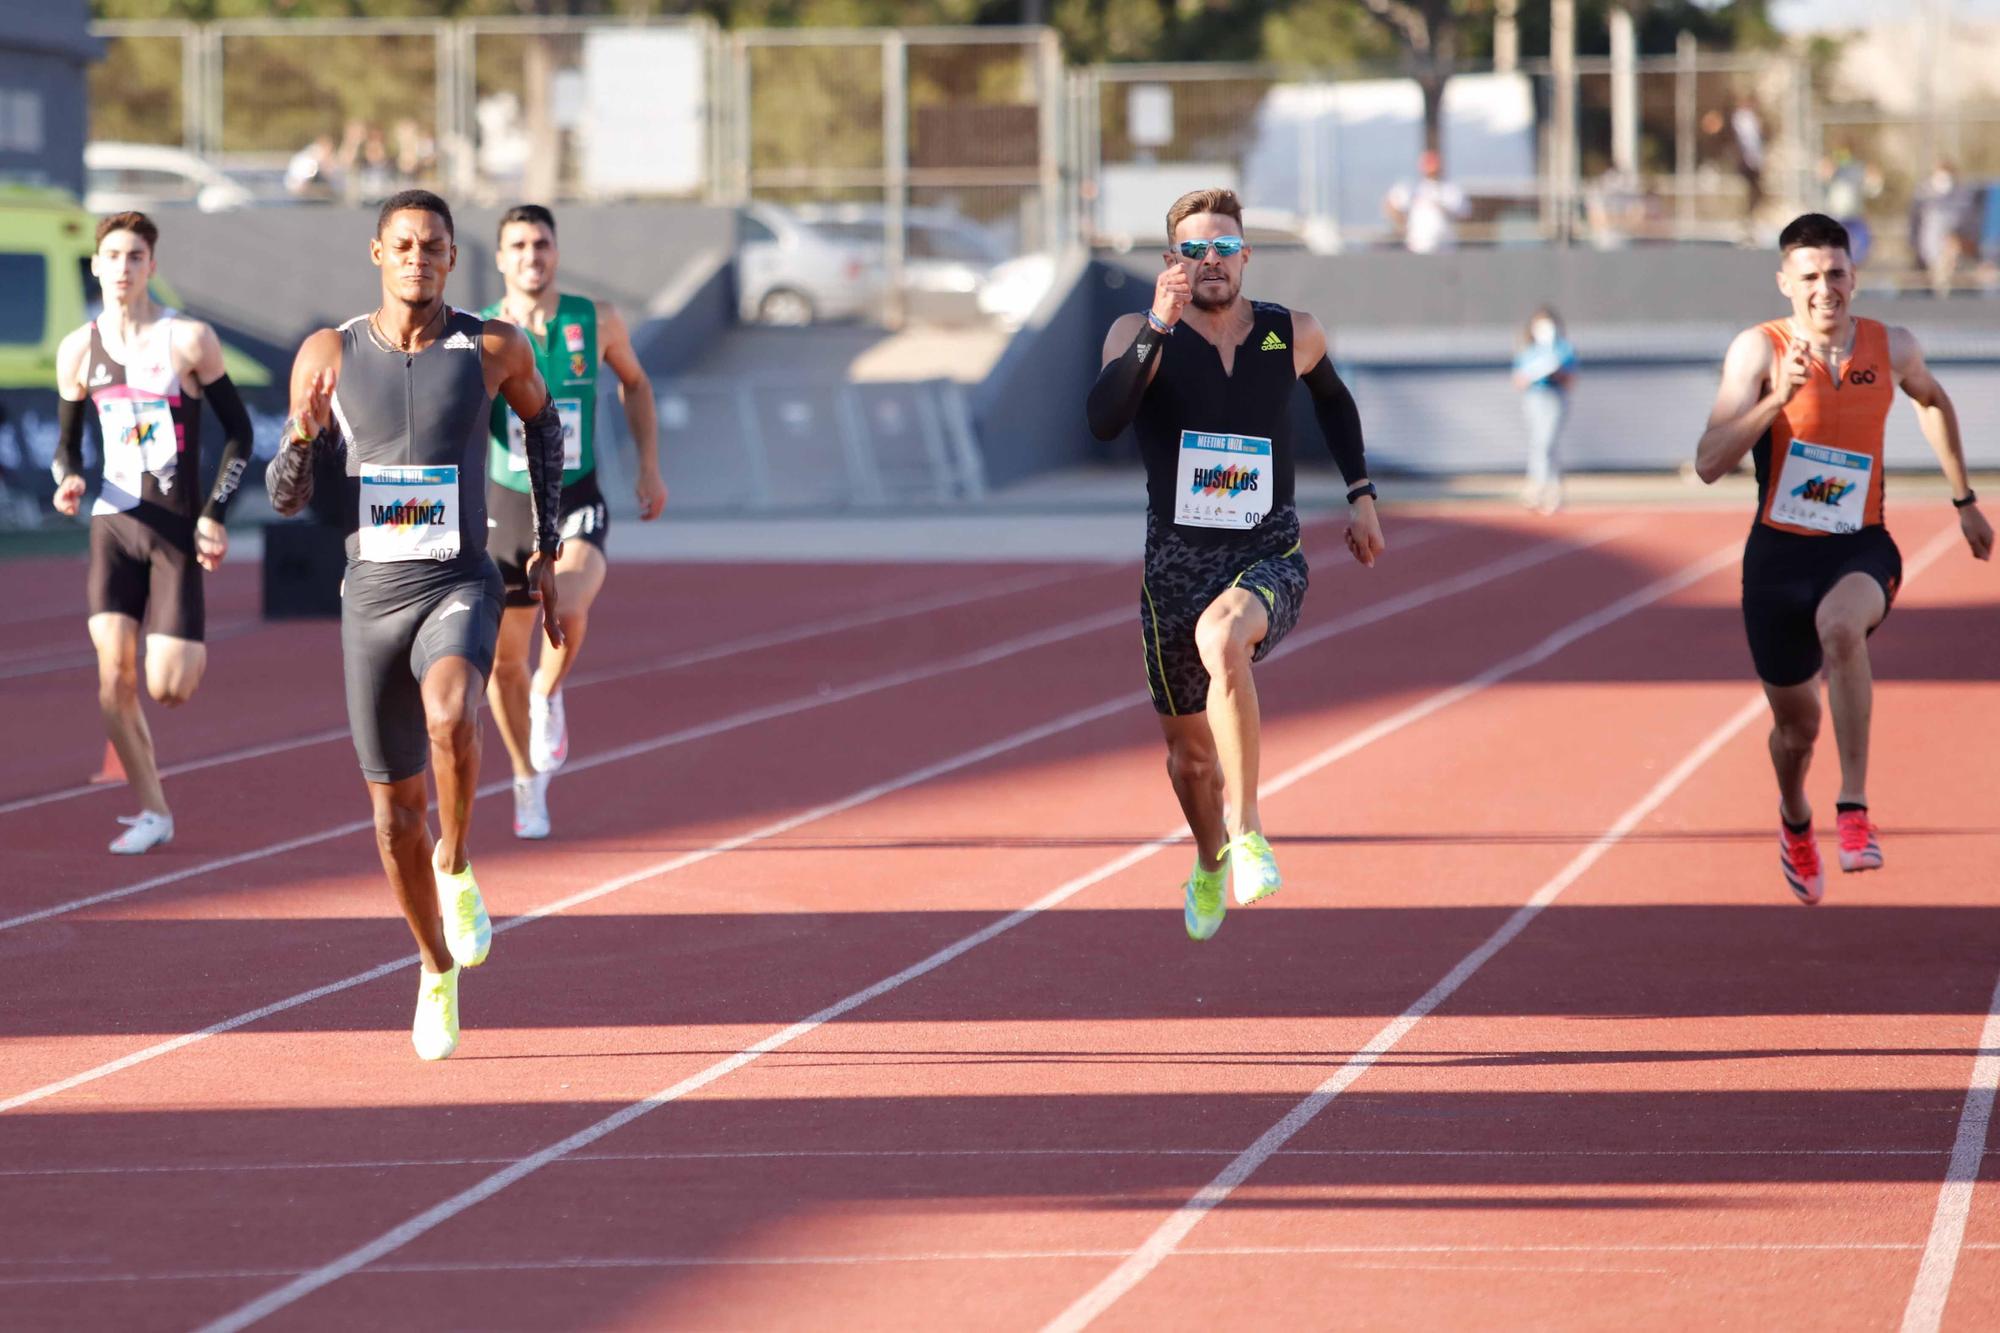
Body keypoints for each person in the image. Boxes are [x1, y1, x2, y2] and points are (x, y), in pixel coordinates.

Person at [265, 189, 566, 1060]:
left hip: (457, 582)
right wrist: (300, 440)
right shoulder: (327, 352)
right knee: (394, 816)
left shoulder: (493, 347)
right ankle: (436, 965)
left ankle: (461, 862)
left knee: (450, 715)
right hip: (371, 598)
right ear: (377, 254)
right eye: (403, 245)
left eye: (433, 247)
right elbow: (287, 499)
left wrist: (545, 546)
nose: (418, 260)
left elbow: (544, 433)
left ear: (451, 260)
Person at [1086, 187, 1386, 941]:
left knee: (1225, 640)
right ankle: (1211, 856)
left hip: (1267, 549)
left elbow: (1336, 403)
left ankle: (1249, 831)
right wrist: (1157, 323)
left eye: (1223, 246)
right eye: (1194, 249)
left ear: (1247, 255)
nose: (1210, 260)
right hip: (1175, 566)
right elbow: (1104, 417)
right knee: (1191, 761)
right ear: (1171, 262)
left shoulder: (1293, 332)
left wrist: (1361, 494)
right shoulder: (1136, 329)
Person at [1694, 213, 1992, 906]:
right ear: (1785, 283)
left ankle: (1853, 806)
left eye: (1836, 274)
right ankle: (1795, 814)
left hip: (1861, 545)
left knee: (1841, 628)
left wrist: (1964, 499)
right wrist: (1779, 398)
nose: (1825, 289)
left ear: (1854, 276)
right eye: (1809, 277)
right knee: (1795, 729)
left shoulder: (1892, 346)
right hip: (1775, 562)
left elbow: (1935, 401)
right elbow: (1709, 461)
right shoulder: (1757, 351)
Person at [49, 211, 257, 854]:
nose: (122, 267)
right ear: (95, 265)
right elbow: (66, 449)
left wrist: (214, 514)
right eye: (111, 255)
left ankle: (171, 644)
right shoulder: (78, 349)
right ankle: (153, 812)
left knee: (168, 688)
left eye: (134, 256)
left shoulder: (189, 341)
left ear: (151, 268)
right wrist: (68, 480)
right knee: (114, 680)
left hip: (174, 532)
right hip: (113, 525)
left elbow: (241, 434)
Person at [482, 203, 668, 838]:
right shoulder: (482, 331)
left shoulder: (597, 320)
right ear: (501, 258)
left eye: (541, 243)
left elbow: (636, 385)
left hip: (575, 492)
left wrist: (649, 466)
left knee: (573, 594)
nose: (531, 256)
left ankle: (548, 693)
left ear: (556, 251)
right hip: (504, 503)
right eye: (518, 246)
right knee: (504, 660)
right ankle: (525, 782)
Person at [1512, 306, 1578, 515]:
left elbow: (1570, 380)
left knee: (1547, 443)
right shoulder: (1528, 351)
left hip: (1554, 397)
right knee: (1537, 443)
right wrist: (1533, 373)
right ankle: (1539, 487)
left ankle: (1549, 489)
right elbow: (1518, 379)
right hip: (1534, 398)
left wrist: (1555, 371)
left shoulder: (1563, 349)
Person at [1383, 149, 1467, 254]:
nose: (1432, 170)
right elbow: (1391, 203)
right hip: (1418, 248)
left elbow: (1465, 214)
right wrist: (1403, 227)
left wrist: (1443, 209)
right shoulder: (1414, 187)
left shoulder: (1450, 190)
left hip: (1445, 248)